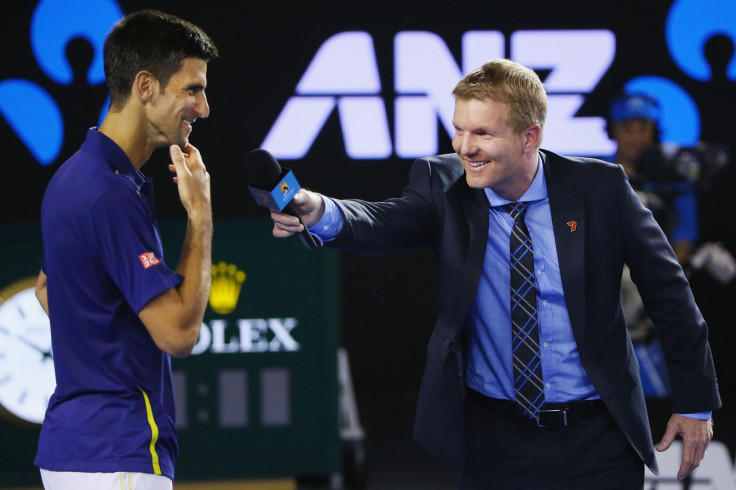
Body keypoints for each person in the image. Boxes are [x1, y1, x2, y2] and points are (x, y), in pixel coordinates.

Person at [270, 59, 721, 488]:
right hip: (496, 439)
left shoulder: (599, 189)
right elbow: (382, 222)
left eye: (483, 133)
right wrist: (319, 210)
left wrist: (695, 401)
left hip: (598, 437)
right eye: (459, 129)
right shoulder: (443, 185)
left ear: (530, 137)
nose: (465, 147)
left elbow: (669, 294)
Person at [33, 10, 217, 489]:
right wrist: (201, 215)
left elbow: (48, 291)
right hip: (116, 455)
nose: (204, 107)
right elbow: (179, 334)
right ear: (145, 86)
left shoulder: (74, 177)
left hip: (74, 452)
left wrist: (103, 346)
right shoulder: (109, 195)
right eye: (192, 89)